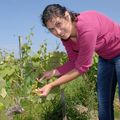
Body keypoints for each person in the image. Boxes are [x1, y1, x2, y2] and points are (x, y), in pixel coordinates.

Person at [37, 4, 120, 120]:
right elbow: (74, 61)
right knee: (103, 102)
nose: (58, 32)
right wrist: (52, 72)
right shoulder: (66, 37)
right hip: (105, 57)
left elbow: (82, 67)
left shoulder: (86, 28)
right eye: (51, 29)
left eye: (58, 24)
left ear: (66, 16)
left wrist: (51, 85)